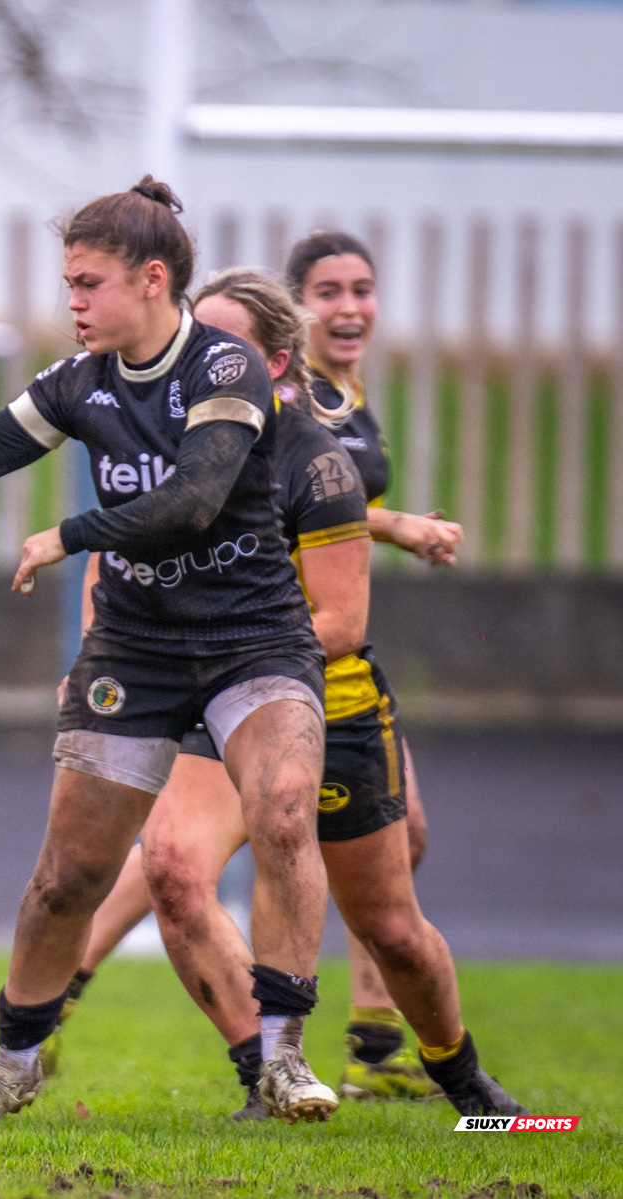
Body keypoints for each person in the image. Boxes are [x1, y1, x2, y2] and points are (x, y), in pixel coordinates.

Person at [0, 179, 339, 1124]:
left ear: (152, 278)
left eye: (87, 282)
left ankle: (285, 1056)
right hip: (137, 647)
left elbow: (196, 500)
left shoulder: (226, 368)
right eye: (68, 283)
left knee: (284, 814)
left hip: (255, 639)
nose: (72, 301)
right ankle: (13, 1063)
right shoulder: (77, 383)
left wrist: (70, 533)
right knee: (68, 876)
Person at [56, 268, 525, 1122]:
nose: (200, 363)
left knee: (388, 927)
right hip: (204, 694)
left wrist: (217, 656)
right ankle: (266, 1074)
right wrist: (112, 653)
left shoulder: (321, 462)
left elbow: (340, 621)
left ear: (275, 365)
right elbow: (111, 559)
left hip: (323, 701)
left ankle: (465, 1082)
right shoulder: (170, 446)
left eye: (222, 349)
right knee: (169, 872)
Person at [287, 230, 466, 1099]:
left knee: (399, 842)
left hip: (345, 664)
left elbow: (340, 517)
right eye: (328, 291)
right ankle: (47, 1003)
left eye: (362, 288)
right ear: (297, 308)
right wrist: (400, 527)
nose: (349, 306)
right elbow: (308, 506)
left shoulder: (348, 395)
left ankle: (371, 1047)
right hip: (290, 660)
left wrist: (391, 526)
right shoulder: (297, 400)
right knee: (175, 861)